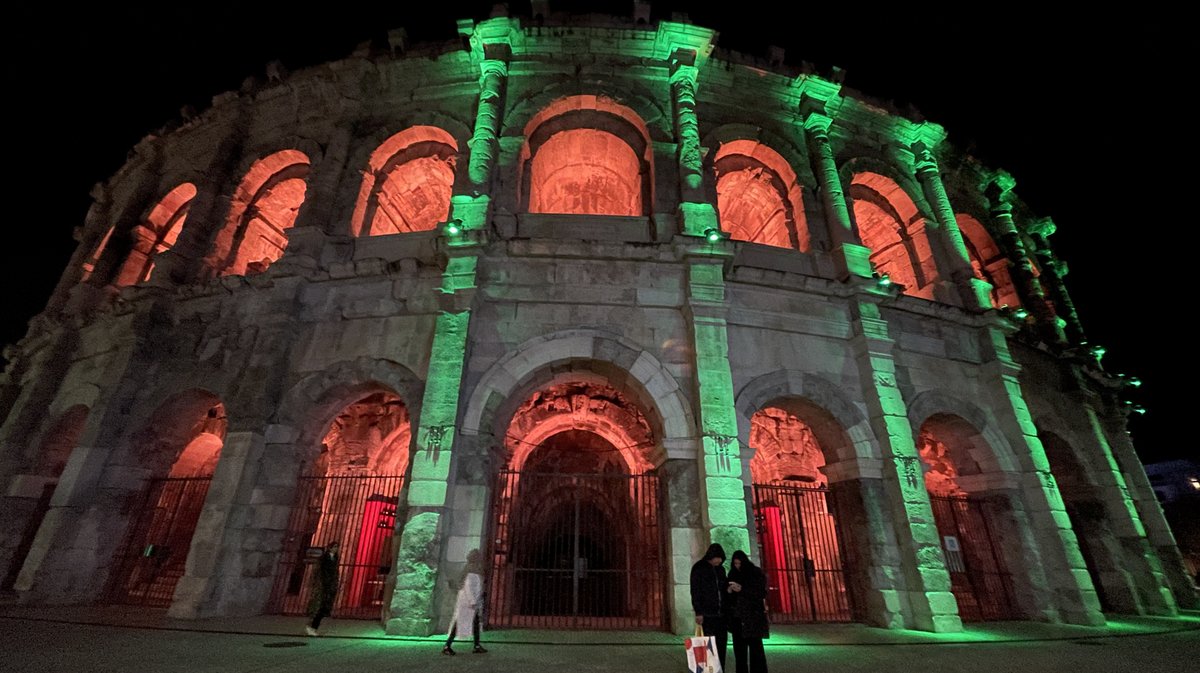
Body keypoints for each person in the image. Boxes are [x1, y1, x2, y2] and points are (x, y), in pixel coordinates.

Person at [726, 550, 769, 673]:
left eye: (739, 563)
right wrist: (729, 591)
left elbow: (760, 592)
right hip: (738, 617)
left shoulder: (755, 573)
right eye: (735, 564)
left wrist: (742, 590)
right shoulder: (733, 573)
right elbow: (730, 598)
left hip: (752, 616)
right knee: (740, 651)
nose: (737, 566)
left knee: (756, 649)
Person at [690, 543, 729, 670]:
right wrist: (698, 611)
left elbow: (722, 588)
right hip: (708, 614)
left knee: (721, 645)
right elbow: (696, 591)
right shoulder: (699, 568)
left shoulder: (720, 570)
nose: (719, 561)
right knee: (708, 645)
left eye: (720, 558)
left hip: (721, 614)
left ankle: (720, 669)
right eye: (717, 558)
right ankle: (709, 669)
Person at [443, 549, 487, 655]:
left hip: (471, 602)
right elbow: (468, 587)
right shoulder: (472, 570)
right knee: (459, 622)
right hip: (468, 602)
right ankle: (447, 646)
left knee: (474, 623)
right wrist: (473, 601)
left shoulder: (472, 569)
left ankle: (476, 645)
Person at [305, 541, 340, 637]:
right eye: (335, 547)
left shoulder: (335, 557)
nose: (336, 549)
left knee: (325, 607)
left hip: (330, 584)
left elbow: (335, 571)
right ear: (330, 548)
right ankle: (312, 626)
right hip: (324, 584)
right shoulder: (324, 558)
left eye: (337, 547)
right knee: (320, 606)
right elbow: (320, 571)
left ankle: (313, 626)